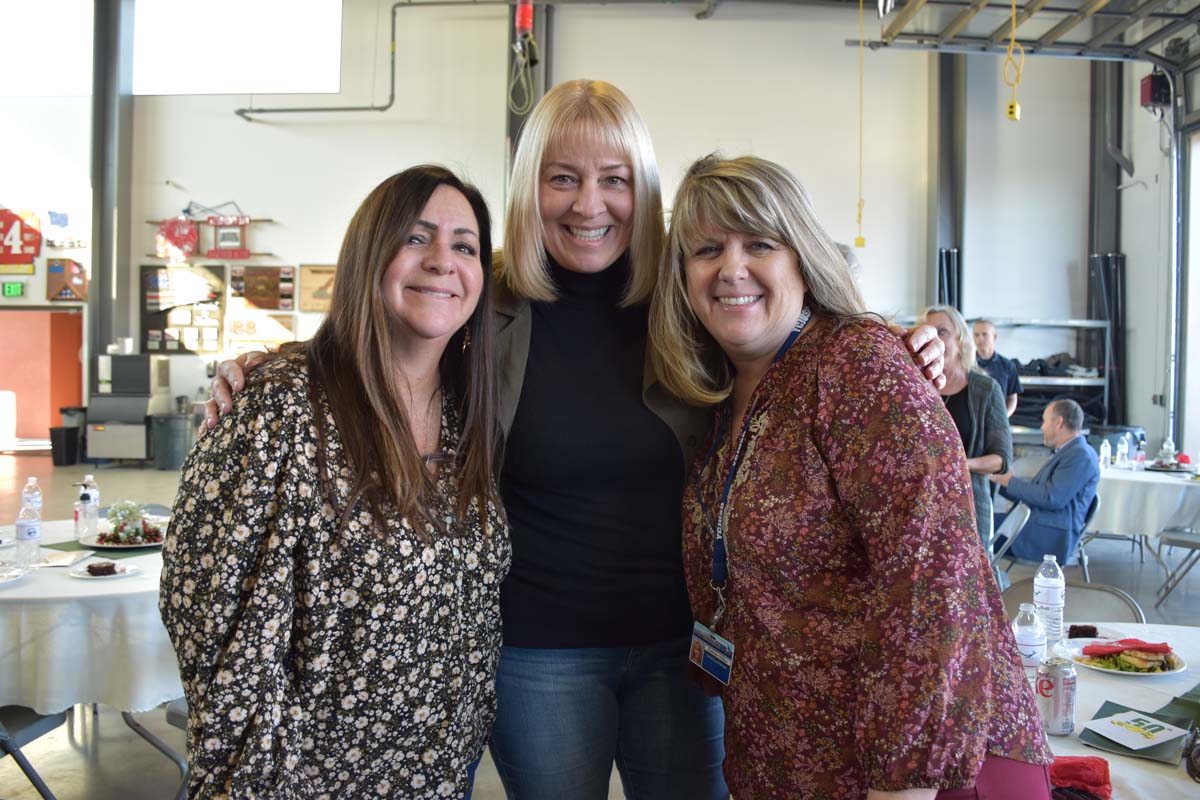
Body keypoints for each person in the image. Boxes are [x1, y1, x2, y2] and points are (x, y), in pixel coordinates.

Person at [201, 80, 947, 800]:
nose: (589, 204)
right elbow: (387, 327)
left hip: (683, 648)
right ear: (531, 188)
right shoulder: (482, 299)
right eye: (563, 178)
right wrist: (274, 362)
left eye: (614, 179)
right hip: (540, 653)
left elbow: (794, 319)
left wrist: (909, 341)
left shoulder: (692, 297)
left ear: (642, 191)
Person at [650, 154, 1052, 800]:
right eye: (707, 249)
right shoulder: (725, 394)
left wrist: (905, 782)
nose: (731, 268)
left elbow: (934, 573)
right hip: (798, 765)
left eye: (759, 244)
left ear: (802, 257)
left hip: (916, 775)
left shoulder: (857, 365)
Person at [160, 166, 510, 799]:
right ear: (367, 256)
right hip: (305, 782)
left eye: (465, 246)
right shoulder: (279, 403)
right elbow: (208, 613)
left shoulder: (469, 419)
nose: (442, 260)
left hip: (440, 775)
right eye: (416, 238)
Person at [920, 305, 1012, 550]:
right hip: (921, 507)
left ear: (961, 339)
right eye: (927, 332)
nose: (934, 339)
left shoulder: (986, 390)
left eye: (942, 332)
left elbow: (1002, 460)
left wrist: (957, 463)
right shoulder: (916, 387)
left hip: (969, 507)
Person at [990, 398, 1100, 565]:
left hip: (1047, 536)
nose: (1042, 427)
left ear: (1059, 422)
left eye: (1045, 421)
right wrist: (1001, 481)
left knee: (977, 527)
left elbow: (1051, 498)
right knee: (979, 522)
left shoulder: (1080, 455)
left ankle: (980, 578)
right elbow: (1041, 493)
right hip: (1039, 526)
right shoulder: (1070, 451)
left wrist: (1009, 482)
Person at [973, 319, 1022, 417]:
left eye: (984, 334)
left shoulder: (1007, 365)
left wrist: (1004, 417)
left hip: (997, 419)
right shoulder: (965, 364)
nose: (980, 338)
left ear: (994, 337)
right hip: (972, 420)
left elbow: (1012, 397)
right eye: (976, 335)